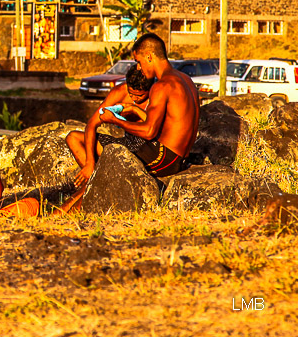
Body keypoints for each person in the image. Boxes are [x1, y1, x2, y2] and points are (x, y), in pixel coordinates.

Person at [61, 33, 200, 211]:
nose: (139, 68)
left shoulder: (162, 85)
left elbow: (149, 131)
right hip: (178, 158)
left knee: (112, 158)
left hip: (162, 157)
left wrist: (116, 120)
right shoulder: (185, 79)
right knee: (109, 152)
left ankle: (67, 210)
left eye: (140, 62)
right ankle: (66, 208)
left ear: (149, 56)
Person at [64, 64, 155, 174]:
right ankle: (93, 178)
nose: (134, 98)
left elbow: (154, 127)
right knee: (73, 137)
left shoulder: (157, 94)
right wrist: (89, 162)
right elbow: (92, 124)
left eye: (139, 96)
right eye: (131, 94)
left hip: (148, 149)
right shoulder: (120, 92)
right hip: (126, 144)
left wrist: (134, 109)